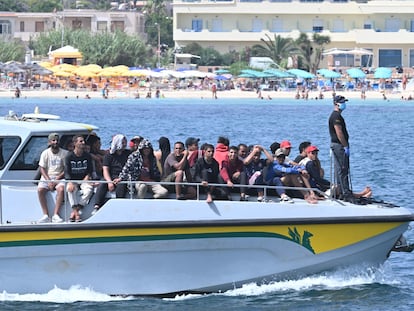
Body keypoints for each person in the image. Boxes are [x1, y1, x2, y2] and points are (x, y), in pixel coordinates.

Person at [93, 134, 130, 214]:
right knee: (102, 183)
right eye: (123, 142)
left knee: (121, 185)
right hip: (111, 176)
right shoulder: (109, 155)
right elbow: (105, 170)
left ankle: (119, 206)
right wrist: (109, 182)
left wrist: (121, 178)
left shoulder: (128, 154)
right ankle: (97, 205)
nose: (125, 144)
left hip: (122, 177)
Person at [37, 133, 68, 223]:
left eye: (57, 140)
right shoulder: (45, 153)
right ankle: (45, 215)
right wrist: (48, 180)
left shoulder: (64, 153)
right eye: (53, 140)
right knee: (40, 190)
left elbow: (66, 169)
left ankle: (56, 214)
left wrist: (57, 179)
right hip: (47, 176)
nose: (56, 142)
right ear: (49, 142)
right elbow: (42, 168)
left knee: (61, 189)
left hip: (59, 177)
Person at [329, 95, 353, 202]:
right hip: (339, 146)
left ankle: (341, 190)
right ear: (336, 103)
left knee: (339, 169)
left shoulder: (337, 116)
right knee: (343, 169)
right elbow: (339, 132)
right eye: (342, 102)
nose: (344, 104)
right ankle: (345, 192)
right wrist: (345, 146)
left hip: (336, 145)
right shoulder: (336, 117)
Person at [64, 135, 94, 222]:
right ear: (75, 143)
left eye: (83, 141)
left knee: (89, 190)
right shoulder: (69, 156)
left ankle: (76, 210)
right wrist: (69, 182)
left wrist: (87, 177)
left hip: (84, 179)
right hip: (73, 180)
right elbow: (66, 171)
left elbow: (90, 170)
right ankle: (77, 214)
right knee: (70, 190)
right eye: (81, 141)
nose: (83, 143)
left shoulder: (87, 156)